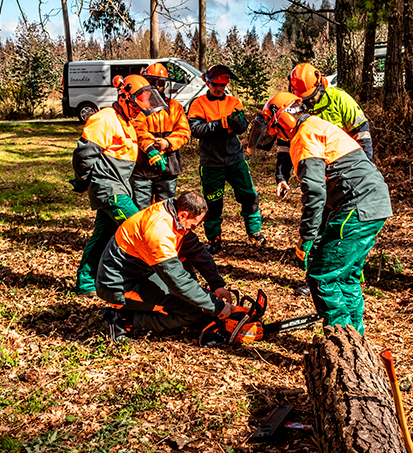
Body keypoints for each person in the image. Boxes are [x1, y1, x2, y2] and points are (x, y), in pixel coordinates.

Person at [262, 92, 392, 335]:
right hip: (373, 201)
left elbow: (314, 193)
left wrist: (307, 239)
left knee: (323, 274)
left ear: (284, 120)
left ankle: (341, 338)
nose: (276, 134)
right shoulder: (318, 126)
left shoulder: (304, 136)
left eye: (275, 127)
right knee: (347, 276)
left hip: (357, 205)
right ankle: (356, 337)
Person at [70, 74, 168, 296]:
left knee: (102, 237)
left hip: (120, 186)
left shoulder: (127, 121)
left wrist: (151, 150)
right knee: (139, 230)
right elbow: (83, 155)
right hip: (109, 189)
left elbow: (141, 137)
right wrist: (82, 181)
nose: (138, 110)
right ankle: (148, 284)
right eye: (135, 105)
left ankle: (86, 283)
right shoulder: (105, 119)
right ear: (123, 97)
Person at [96, 191, 234, 341]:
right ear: (183, 215)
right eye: (193, 226)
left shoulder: (172, 215)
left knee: (192, 301)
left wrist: (217, 285)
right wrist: (216, 306)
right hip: (120, 285)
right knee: (191, 312)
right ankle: (122, 318)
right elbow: (177, 280)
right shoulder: (158, 230)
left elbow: (197, 252)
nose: (193, 229)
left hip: (141, 273)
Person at [250, 62, 374, 200]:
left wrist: (365, 171)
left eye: (309, 98)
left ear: (320, 85)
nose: (307, 103)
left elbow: (363, 136)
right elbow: (284, 145)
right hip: (317, 172)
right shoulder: (293, 107)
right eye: (303, 99)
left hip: (346, 168)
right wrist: (282, 177)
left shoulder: (340, 99)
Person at [188, 64, 266, 254]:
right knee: (213, 202)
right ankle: (214, 238)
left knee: (249, 195)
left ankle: (254, 232)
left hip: (235, 160)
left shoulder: (234, 102)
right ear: (208, 82)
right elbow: (196, 130)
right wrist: (222, 123)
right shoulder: (198, 104)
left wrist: (238, 122)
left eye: (223, 85)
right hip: (211, 163)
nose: (219, 89)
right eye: (216, 85)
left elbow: (242, 127)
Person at [130, 62, 191, 209]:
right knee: (141, 209)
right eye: (152, 82)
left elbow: (184, 131)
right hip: (143, 166)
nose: (157, 86)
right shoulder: (138, 106)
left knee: (165, 208)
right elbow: (138, 130)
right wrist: (151, 146)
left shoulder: (175, 107)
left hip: (168, 166)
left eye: (160, 83)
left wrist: (167, 143)